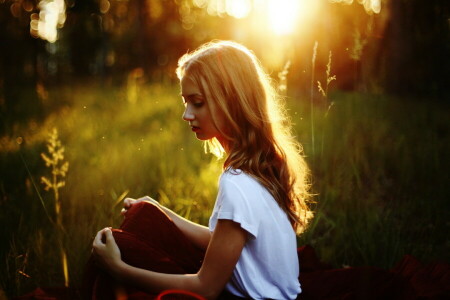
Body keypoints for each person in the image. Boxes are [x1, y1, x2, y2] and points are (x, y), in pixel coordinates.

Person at [89, 40, 313, 300]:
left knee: (121, 246)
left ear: (231, 101)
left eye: (197, 102)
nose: (186, 114)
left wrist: (118, 269)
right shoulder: (262, 165)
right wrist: (159, 210)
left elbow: (206, 288)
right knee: (144, 214)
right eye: (186, 102)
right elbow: (223, 241)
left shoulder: (238, 183)